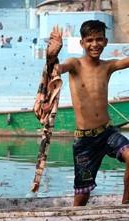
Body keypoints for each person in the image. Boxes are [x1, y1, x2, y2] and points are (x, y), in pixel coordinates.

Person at [47, 20, 129, 206]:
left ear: (106, 42)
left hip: (107, 133)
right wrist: (51, 56)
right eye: (90, 40)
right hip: (85, 141)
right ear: (82, 43)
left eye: (99, 39)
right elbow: (56, 70)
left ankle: (125, 206)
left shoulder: (108, 66)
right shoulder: (74, 64)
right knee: (82, 195)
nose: (95, 44)